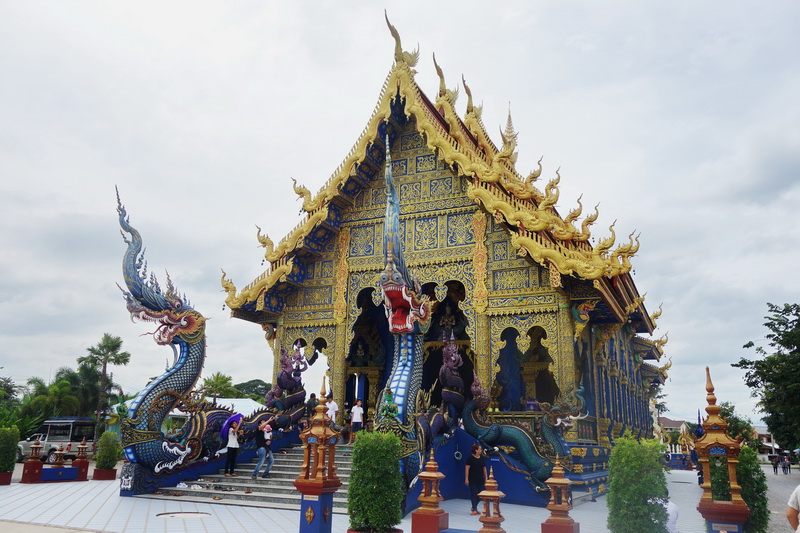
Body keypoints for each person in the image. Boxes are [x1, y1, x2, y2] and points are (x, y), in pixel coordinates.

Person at [464, 443, 487, 516]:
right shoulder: (470, 458)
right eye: (480, 449)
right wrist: (466, 479)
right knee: (474, 494)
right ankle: (474, 508)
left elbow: (484, 468)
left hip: (480, 479)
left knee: (481, 494)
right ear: (476, 450)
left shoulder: (481, 458)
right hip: (472, 479)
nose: (481, 450)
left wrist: (486, 477)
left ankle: (474, 506)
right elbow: (467, 469)